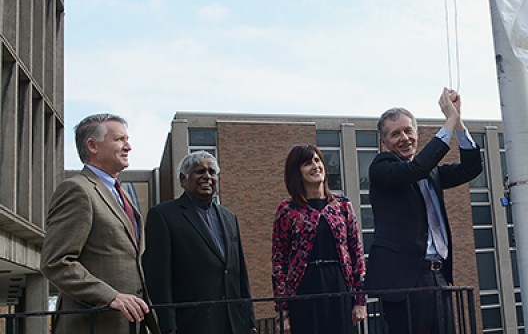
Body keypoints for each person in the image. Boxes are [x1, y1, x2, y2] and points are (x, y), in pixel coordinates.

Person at [365, 88, 483, 334]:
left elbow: (471, 168)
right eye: (395, 134)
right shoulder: (381, 167)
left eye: (409, 131)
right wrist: (447, 122)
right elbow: (414, 169)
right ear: (383, 142)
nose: (405, 138)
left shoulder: (431, 172)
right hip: (403, 281)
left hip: (437, 275)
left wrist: (458, 122)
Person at [40, 113, 159, 334]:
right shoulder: (77, 190)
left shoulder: (124, 195)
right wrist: (110, 296)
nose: (128, 146)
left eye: (127, 139)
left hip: (131, 324)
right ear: (93, 146)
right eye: (119, 139)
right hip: (93, 324)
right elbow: (56, 262)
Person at [142, 151, 257, 334]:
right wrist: (167, 327)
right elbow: (158, 278)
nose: (207, 177)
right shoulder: (163, 216)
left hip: (234, 324)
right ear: (183, 179)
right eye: (199, 171)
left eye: (212, 172)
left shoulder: (229, 217)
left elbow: (240, 273)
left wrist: (250, 321)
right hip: (191, 324)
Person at [272, 144, 367, 334]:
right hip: (304, 289)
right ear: (296, 172)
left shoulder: (342, 205)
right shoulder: (287, 210)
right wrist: (283, 311)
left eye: (317, 160)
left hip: (339, 285)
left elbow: (356, 253)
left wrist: (360, 300)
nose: (315, 166)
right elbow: (279, 262)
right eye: (307, 163)